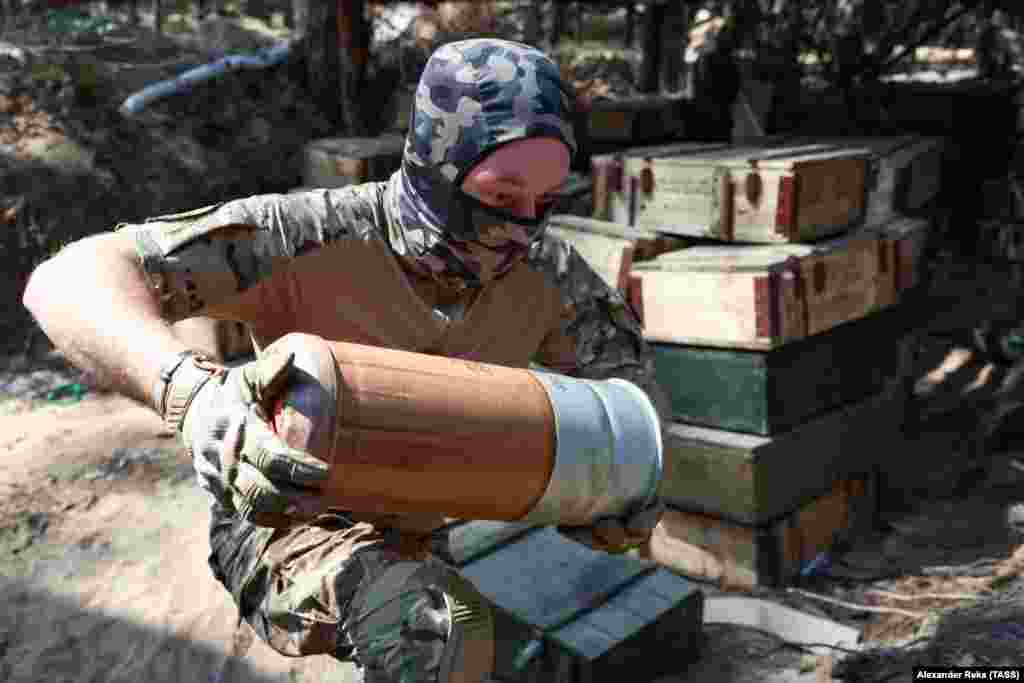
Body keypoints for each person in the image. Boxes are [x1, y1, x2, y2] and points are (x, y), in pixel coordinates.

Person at [24, 39, 668, 682]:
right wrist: (188, 392)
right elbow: (65, 279)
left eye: (546, 203)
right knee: (437, 631)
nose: (524, 228)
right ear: (438, 164)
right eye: (502, 199)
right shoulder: (309, 235)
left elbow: (633, 393)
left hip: (424, 524)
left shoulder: (546, 276)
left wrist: (622, 492)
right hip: (287, 523)